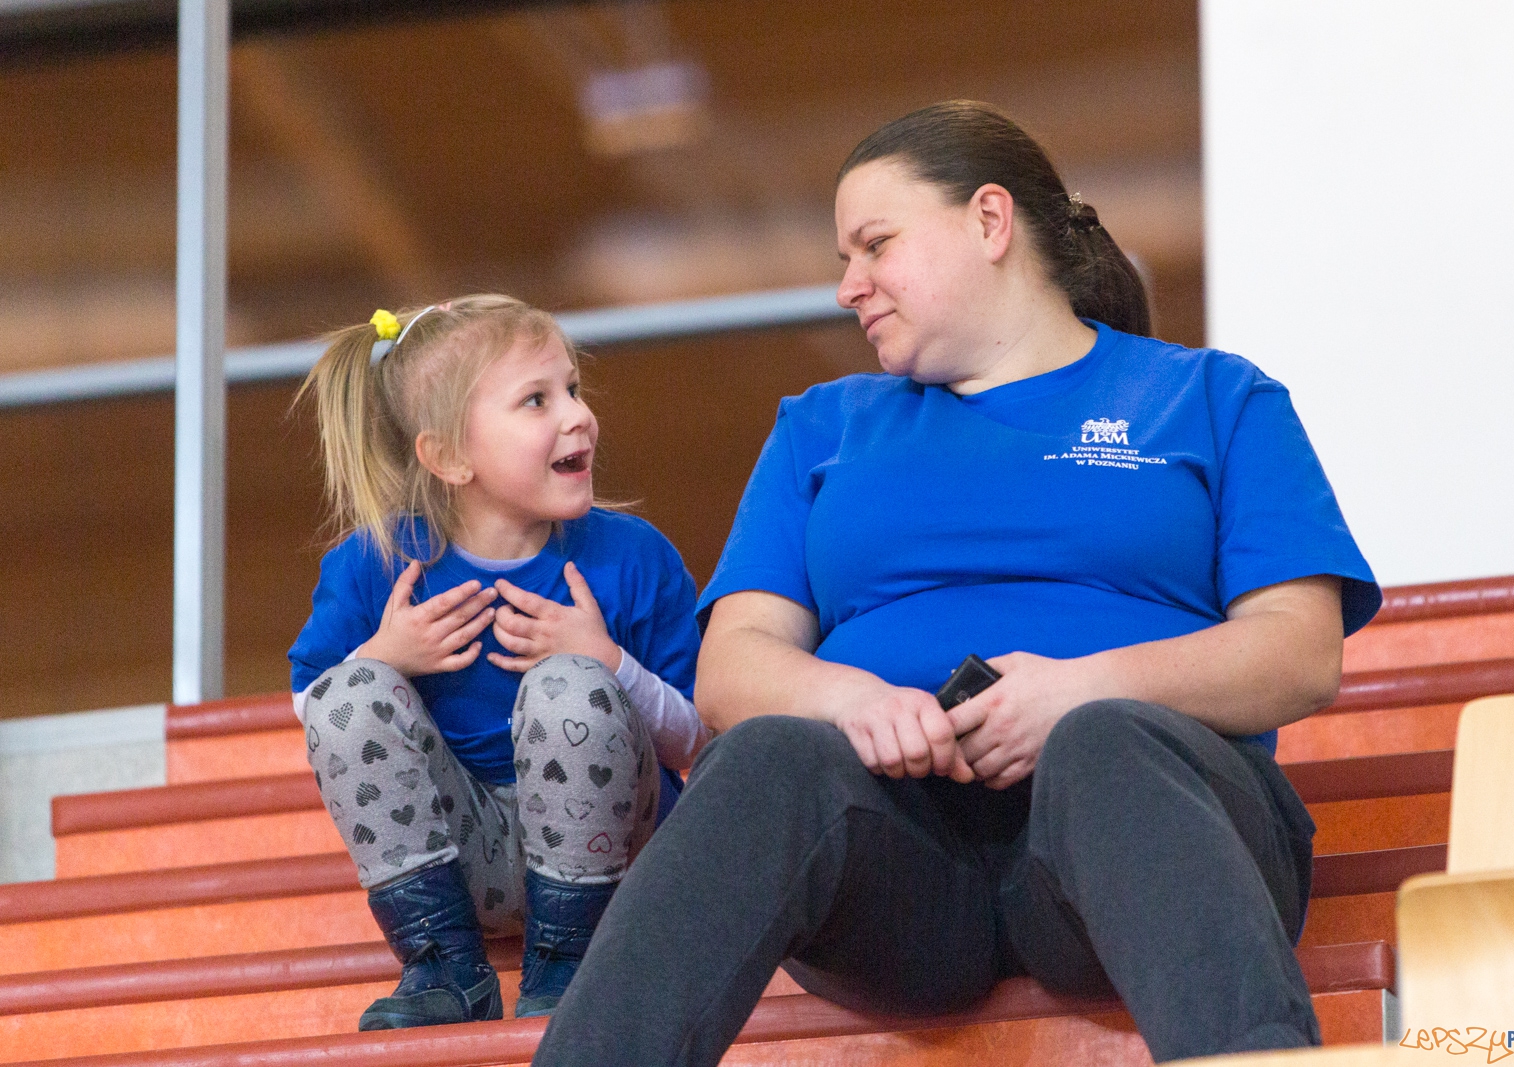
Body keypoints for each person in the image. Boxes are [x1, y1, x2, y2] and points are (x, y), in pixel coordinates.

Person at [531, 101, 1381, 1065]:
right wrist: (852, 700)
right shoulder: (822, 425)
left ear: (988, 221)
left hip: (1145, 833)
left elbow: (1300, 650)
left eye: (875, 244)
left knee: (1107, 741)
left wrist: (1079, 690)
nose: (849, 286)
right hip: (905, 866)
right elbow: (732, 665)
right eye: (844, 258)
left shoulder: (1215, 398)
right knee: (765, 757)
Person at [287, 294, 707, 1030]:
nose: (576, 415)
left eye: (573, 389)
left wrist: (607, 660)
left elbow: (701, 742)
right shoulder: (373, 565)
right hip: (467, 859)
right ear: (449, 455)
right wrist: (385, 657)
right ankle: (446, 967)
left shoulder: (633, 557)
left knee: (569, 685)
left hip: (624, 861)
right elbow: (316, 711)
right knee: (347, 690)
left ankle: (570, 964)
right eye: (536, 400)